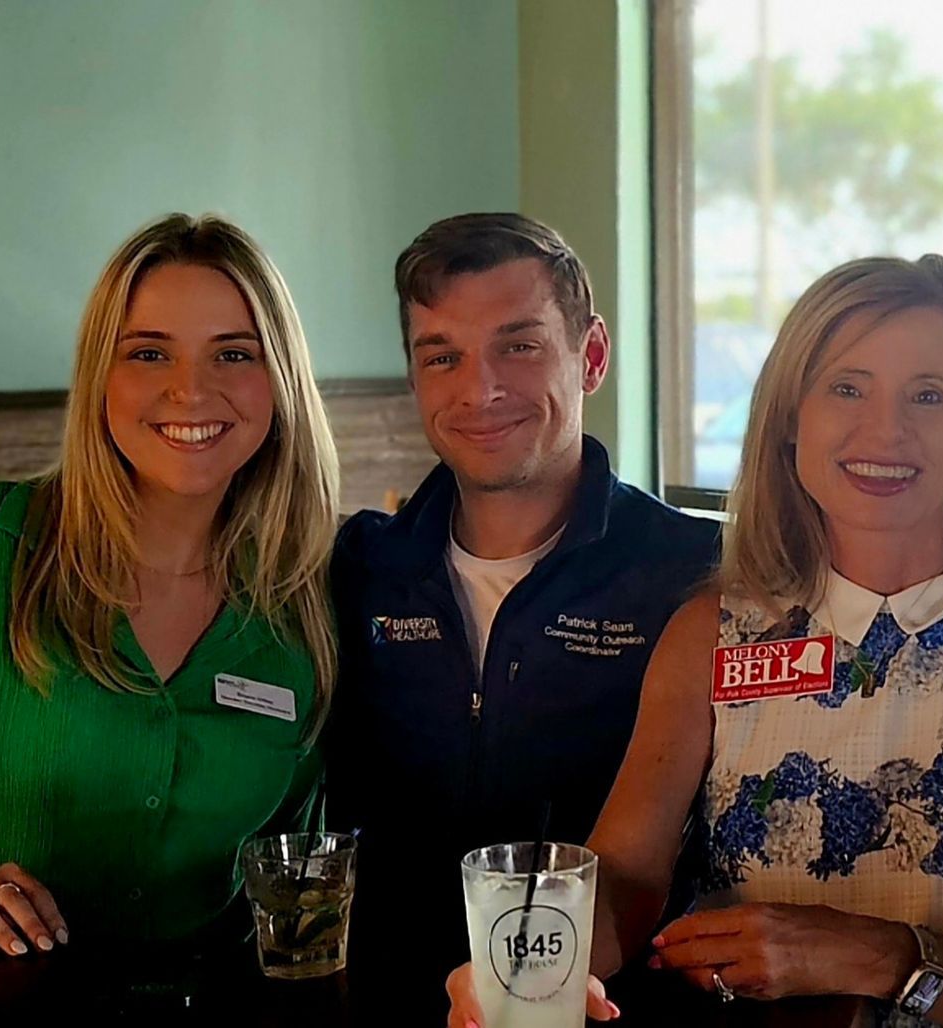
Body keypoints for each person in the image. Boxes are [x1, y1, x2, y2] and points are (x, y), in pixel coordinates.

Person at [448, 255, 943, 1027]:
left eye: (929, 395)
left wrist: (863, 955)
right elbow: (631, 877)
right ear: (790, 417)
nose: (886, 429)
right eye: (847, 387)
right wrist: (529, 956)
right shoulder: (710, 632)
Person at [0, 214, 342, 958]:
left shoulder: (304, 603)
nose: (190, 390)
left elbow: (295, 857)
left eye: (233, 354)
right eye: (148, 353)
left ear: (280, 382)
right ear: (100, 376)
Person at [327, 213, 719, 1020]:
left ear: (593, 355)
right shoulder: (357, 568)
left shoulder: (696, 574)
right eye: (443, 357)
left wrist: (521, 985)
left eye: (520, 345)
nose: (480, 389)